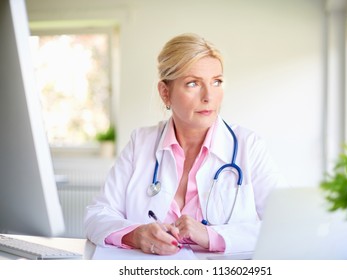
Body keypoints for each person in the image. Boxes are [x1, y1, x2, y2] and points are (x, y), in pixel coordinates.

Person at [84, 33, 285, 256]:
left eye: (216, 82)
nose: (209, 96)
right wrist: (136, 235)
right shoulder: (140, 143)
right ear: (165, 93)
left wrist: (212, 236)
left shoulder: (249, 146)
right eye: (193, 83)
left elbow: (285, 225)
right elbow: (97, 215)